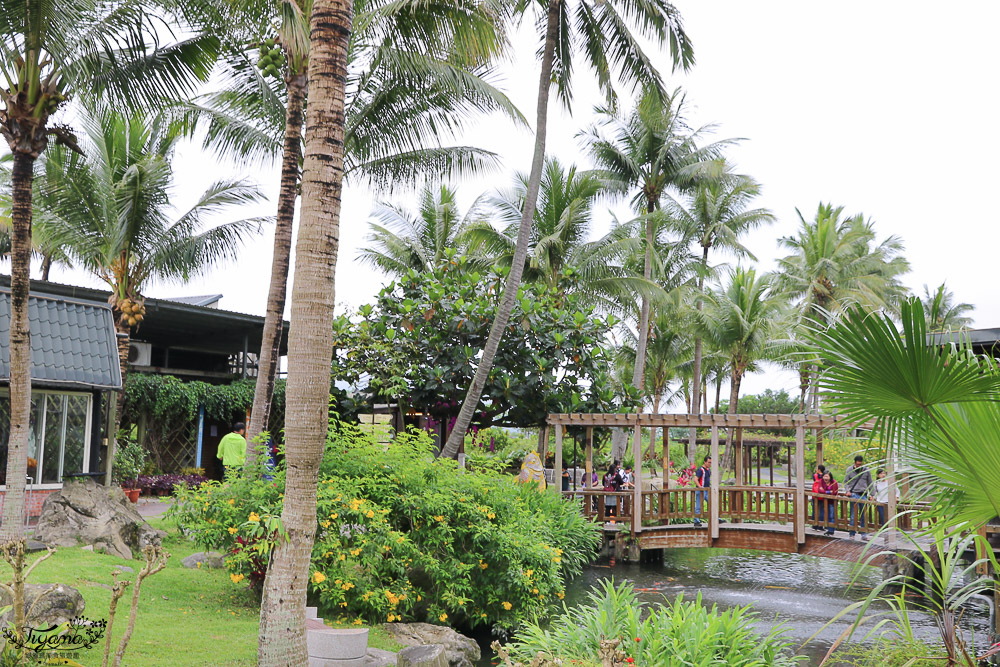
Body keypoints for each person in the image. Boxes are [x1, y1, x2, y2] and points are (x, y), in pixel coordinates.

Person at [844, 455, 874, 541]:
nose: (859, 466)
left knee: (864, 515)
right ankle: (852, 534)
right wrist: (847, 491)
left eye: (860, 464)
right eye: (857, 465)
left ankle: (863, 534)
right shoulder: (849, 470)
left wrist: (872, 494)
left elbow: (870, 482)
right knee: (853, 515)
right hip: (854, 493)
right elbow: (846, 482)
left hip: (863, 494)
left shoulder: (866, 470)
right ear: (854, 463)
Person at [818, 470, 839, 536]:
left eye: (827, 476)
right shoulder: (821, 481)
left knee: (832, 515)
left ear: (830, 477)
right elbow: (819, 490)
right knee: (826, 515)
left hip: (832, 501)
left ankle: (831, 530)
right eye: (824, 476)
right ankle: (829, 529)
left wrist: (825, 491)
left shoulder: (834, 482)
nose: (825, 478)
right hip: (825, 501)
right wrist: (828, 492)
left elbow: (834, 492)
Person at [693, 456, 711, 527]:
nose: (710, 464)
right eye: (709, 462)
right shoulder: (701, 470)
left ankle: (717, 518)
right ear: (705, 462)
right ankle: (696, 521)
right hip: (701, 491)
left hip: (707, 490)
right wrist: (700, 487)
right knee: (698, 506)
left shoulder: (708, 470)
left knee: (712, 503)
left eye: (711, 462)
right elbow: (695, 479)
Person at [811, 464, 826, 531]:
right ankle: (821, 526)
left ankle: (814, 525)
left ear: (819, 469)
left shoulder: (814, 476)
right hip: (822, 495)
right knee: (822, 510)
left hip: (815, 495)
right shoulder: (825, 476)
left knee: (815, 510)